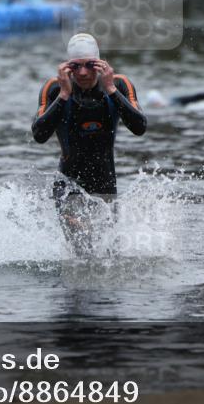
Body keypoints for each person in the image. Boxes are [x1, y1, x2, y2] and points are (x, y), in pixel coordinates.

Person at [32, 34, 146, 251]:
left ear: (100, 64)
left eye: (90, 65)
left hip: (105, 183)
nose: (83, 72)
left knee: (106, 254)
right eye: (76, 66)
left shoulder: (119, 84)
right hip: (68, 184)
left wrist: (111, 89)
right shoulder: (54, 88)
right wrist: (65, 94)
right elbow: (39, 135)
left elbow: (140, 127)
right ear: (67, 67)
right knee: (80, 249)